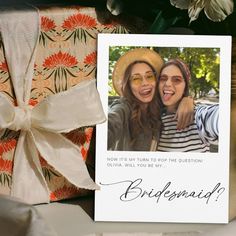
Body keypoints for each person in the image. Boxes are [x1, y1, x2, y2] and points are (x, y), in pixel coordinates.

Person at [108, 48, 194, 151]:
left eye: (149, 76)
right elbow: (111, 123)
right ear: (129, 86)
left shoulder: (159, 109)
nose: (145, 83)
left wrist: (187, 100)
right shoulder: (124, 107)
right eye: (136, 79)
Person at [158, 58, 219, 152]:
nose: (168, 83)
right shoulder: (152, 119)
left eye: (177, 80)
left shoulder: (197, 117)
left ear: (185, 87)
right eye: (163, 78)